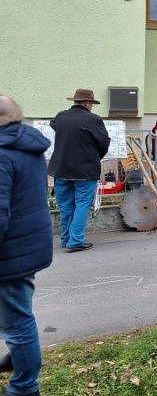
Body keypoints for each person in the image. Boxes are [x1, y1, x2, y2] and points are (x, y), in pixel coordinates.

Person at [0, 95, 53, 396]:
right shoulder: (27, 146)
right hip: (27, 245)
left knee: (18, 322)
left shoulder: (3, 152)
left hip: (11, 251)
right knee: (15, 315)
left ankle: (24, 386)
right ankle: (18, 357)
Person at [48, 88, 110, 253]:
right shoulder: (93, 119)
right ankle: (75, 241)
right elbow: (104, 142)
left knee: (66, 206)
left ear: (75, 102)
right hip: (85, 169)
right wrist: (95, 156)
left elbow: (54, 126)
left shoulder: (61, 117)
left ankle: (66, 239)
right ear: (88, 103)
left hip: (61, 169)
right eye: (92, 104)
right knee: (82, 204)